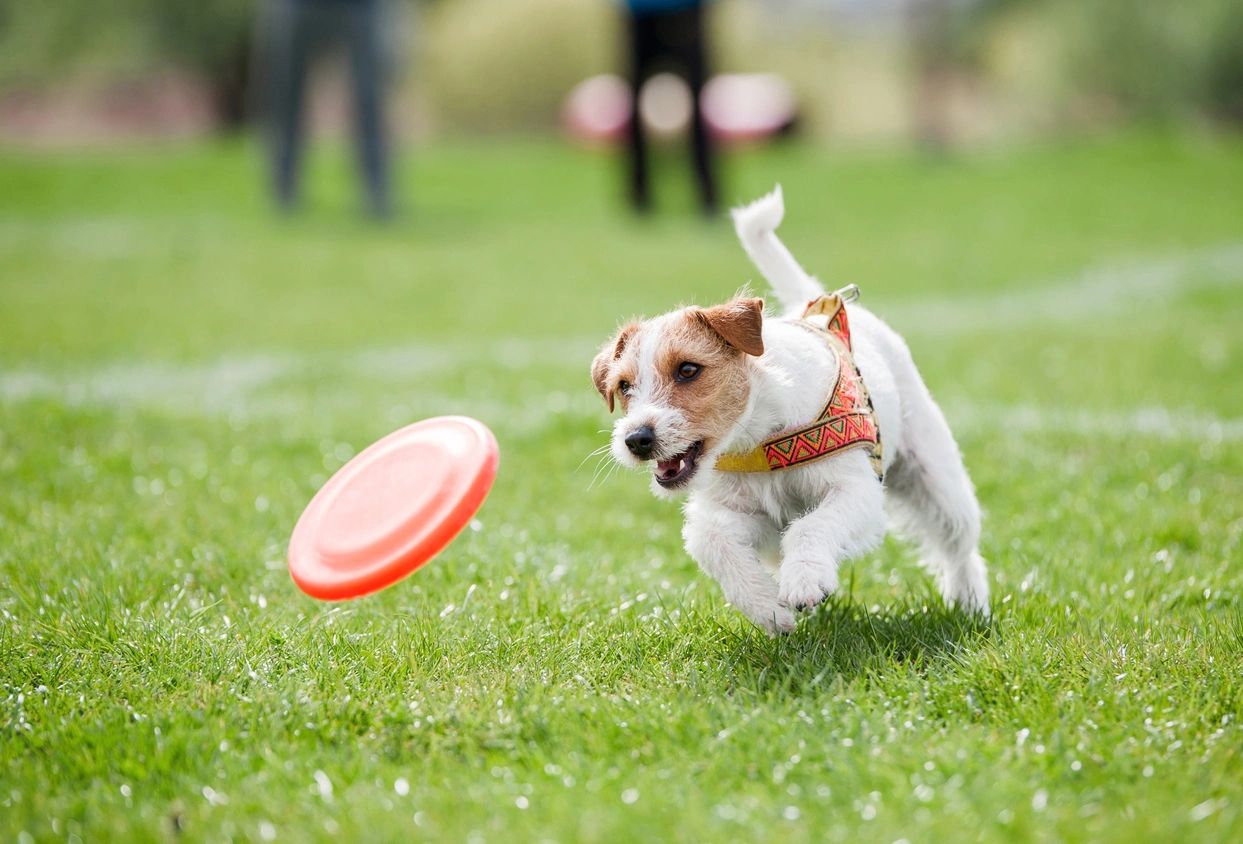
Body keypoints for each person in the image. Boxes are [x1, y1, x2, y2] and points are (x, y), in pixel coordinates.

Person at [262, 0, 393, 218]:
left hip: (359, 7)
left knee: (368, 99)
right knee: (286, 94)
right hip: (300, 6)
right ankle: (283, 192)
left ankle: (377, 195)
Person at [621, 0, 719, 214]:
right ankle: (639, 196)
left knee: (699, 102)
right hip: (642, 9)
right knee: (634, 104)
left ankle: (708, 196)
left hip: (683, 7)